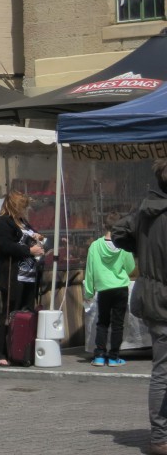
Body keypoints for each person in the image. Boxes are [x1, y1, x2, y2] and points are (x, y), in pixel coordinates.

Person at [113, 160, 167, 455]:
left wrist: (142, 250)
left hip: (151, 295)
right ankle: (160, 437)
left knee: (162, 368)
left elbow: (118, 232)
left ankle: (160, 436)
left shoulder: (146, 208)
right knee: (163, 370)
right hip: (162, 298)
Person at [0, 190, 45, 368]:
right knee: (9, 313)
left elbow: (29, 237)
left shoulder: (22, 222)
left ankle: (21, 351)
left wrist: (38, 238)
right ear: (14, 206)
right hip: (12, 275)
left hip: (29, 276)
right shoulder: (3, 222)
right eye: (22, 206)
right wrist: (29, 251)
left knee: (26, 313)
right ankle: (1, 352)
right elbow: (6, 245)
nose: (25, 210)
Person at [85, 211, 135, 367]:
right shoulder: (123, 245)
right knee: (118, 324)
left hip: (103, 288)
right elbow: (130, 267)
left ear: (103, 225)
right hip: (120, 288)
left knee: (102, 322)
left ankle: (99, 355)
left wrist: (88, 290)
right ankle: (114, 357)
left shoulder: (95, 246)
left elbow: (89, 270)